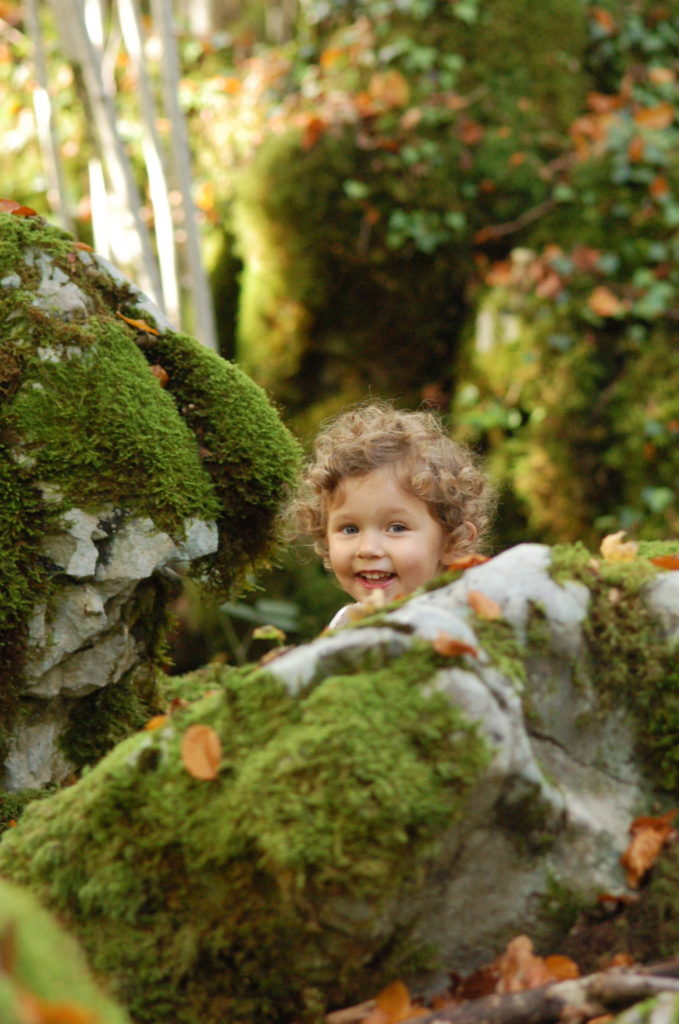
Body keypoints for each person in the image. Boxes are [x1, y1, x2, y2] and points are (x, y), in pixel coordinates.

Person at [288, 402, 494, 628]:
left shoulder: (470, 626)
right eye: (350, 529)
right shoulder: (345, 625)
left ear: (452, 541)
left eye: (396, 528)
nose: (367, 549)